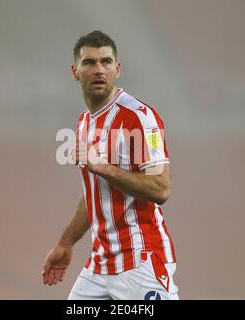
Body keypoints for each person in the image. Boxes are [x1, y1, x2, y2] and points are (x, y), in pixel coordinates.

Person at [42, 30, 179, 300]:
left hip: (139, 263)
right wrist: (65, 243)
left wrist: (102, 166)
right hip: (100, 265)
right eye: (89, 62)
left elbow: (161, 188)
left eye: (106, 62)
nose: (99, 70)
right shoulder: (84, 122)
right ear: (75, 71)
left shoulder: (139, 118)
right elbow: (95, 192)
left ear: (118, 69)